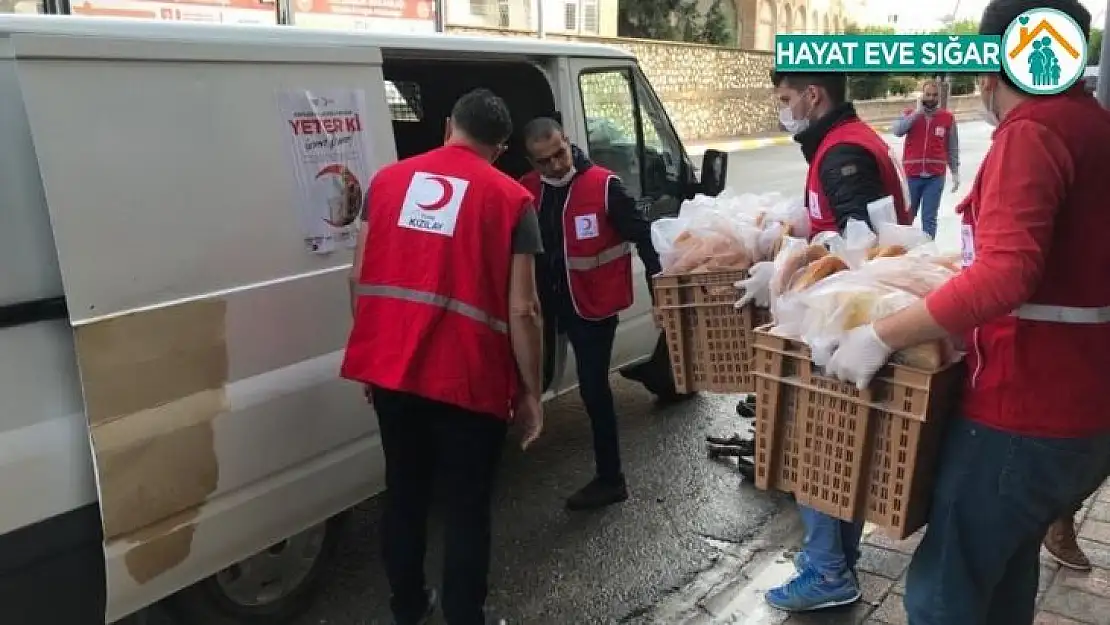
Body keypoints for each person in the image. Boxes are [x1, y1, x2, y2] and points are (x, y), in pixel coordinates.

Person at [822, 0, 1110, 622]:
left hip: (1022, 410)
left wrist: (879, 333)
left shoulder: (1033, 132)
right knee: (1004, 573)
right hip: (1082, 409)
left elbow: (1007, 273)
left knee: (942, 594)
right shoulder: (1092, 125)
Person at [341, 88, 545, 625]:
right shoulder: (511, 200)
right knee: (466, 509)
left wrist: (371, 355)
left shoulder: (386, 182)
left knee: (404, 493)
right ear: (500, 149)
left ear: (449, 125)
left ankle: (407, 608)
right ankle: (463, 615)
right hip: (469, 382)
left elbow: (359, 277)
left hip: (393, 371)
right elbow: (523, 309)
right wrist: (530, 394)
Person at [756, 71, 910, 613]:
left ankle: (827, 570)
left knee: (816, 445)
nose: (783, 108)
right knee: (836, 446)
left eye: (785, 99)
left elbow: (862, 247)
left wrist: (788, 275)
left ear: (812, 95)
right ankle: (836, 560)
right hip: (843, 321)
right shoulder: (845, 143)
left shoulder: (844, 152)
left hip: (843, 327)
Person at [519, 116, 665, 511]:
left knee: (593, 390)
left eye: (559, 154)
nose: (555, 166)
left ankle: (610, 478)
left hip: (593, 307)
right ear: (531, 163)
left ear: (568, 142)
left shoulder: (604, 187)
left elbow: (644, 239)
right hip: (547, 308)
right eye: (543, 161)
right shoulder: (525, 192)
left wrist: (660, 296)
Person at [890, 79, 960, 239]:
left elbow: (952, 147)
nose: (931, 98)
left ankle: (928, 254)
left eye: (935, 95)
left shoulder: (947, 118)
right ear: (922, 95)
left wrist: (955, 171)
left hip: (935, 177)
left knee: (929, 219)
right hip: (912, 175)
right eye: (928, 94)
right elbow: (898, 131)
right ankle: (903, 251)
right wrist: (917, 113)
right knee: (907, 217)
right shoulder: (910, 115)